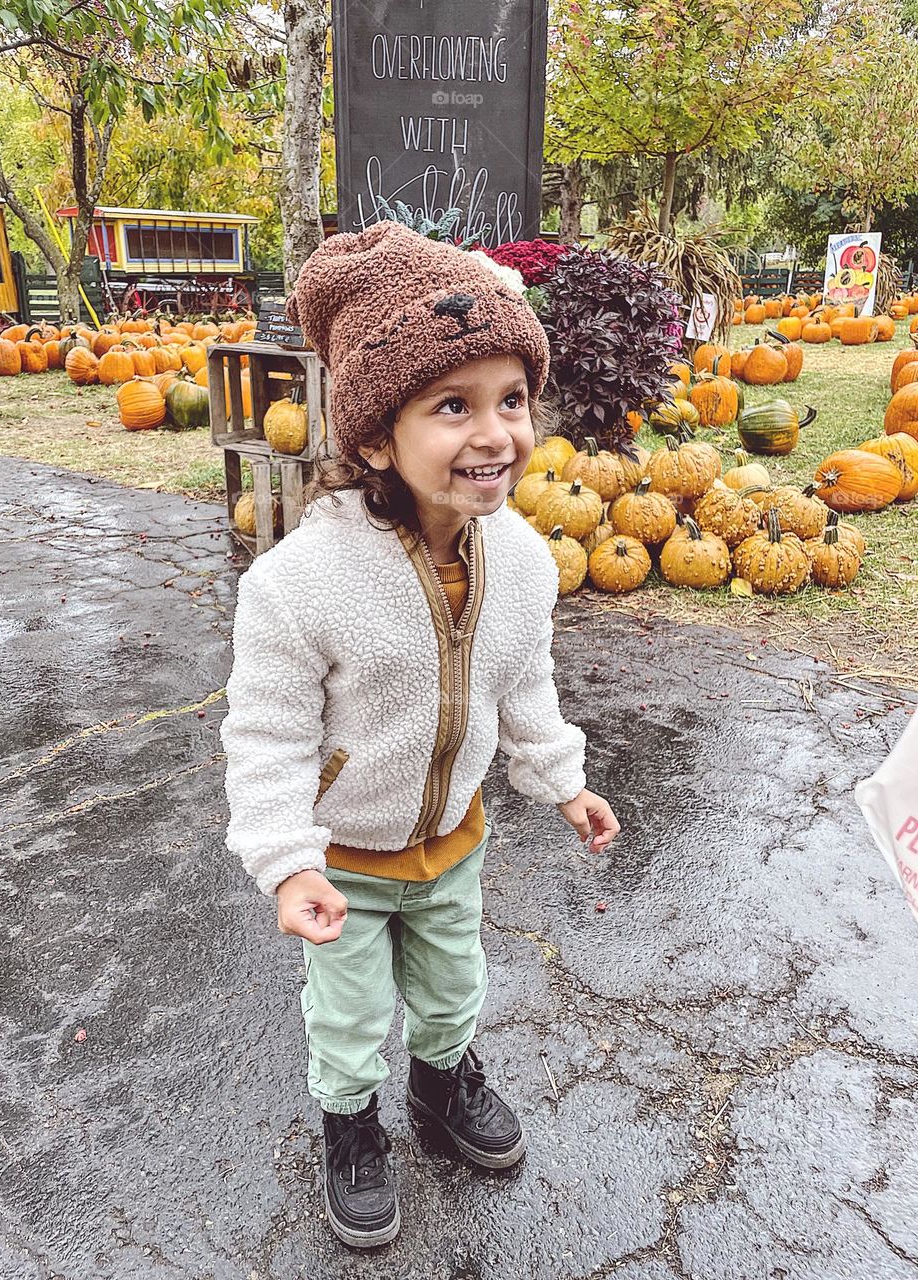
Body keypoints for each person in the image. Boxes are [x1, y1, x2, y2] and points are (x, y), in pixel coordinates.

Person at [219, 221, 620, 1250]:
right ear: (373, 435)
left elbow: (521, 679)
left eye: (511, 400)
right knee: (349, 1018)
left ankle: (442, 1089)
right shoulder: (299, 584)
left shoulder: (524, 559)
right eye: (453, 405)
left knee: (452, 989)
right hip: (344, 859)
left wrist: (561, 778)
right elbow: (264, 734)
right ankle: (352, 1125)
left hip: (453, 841)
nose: (496, 434)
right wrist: (284, 860)